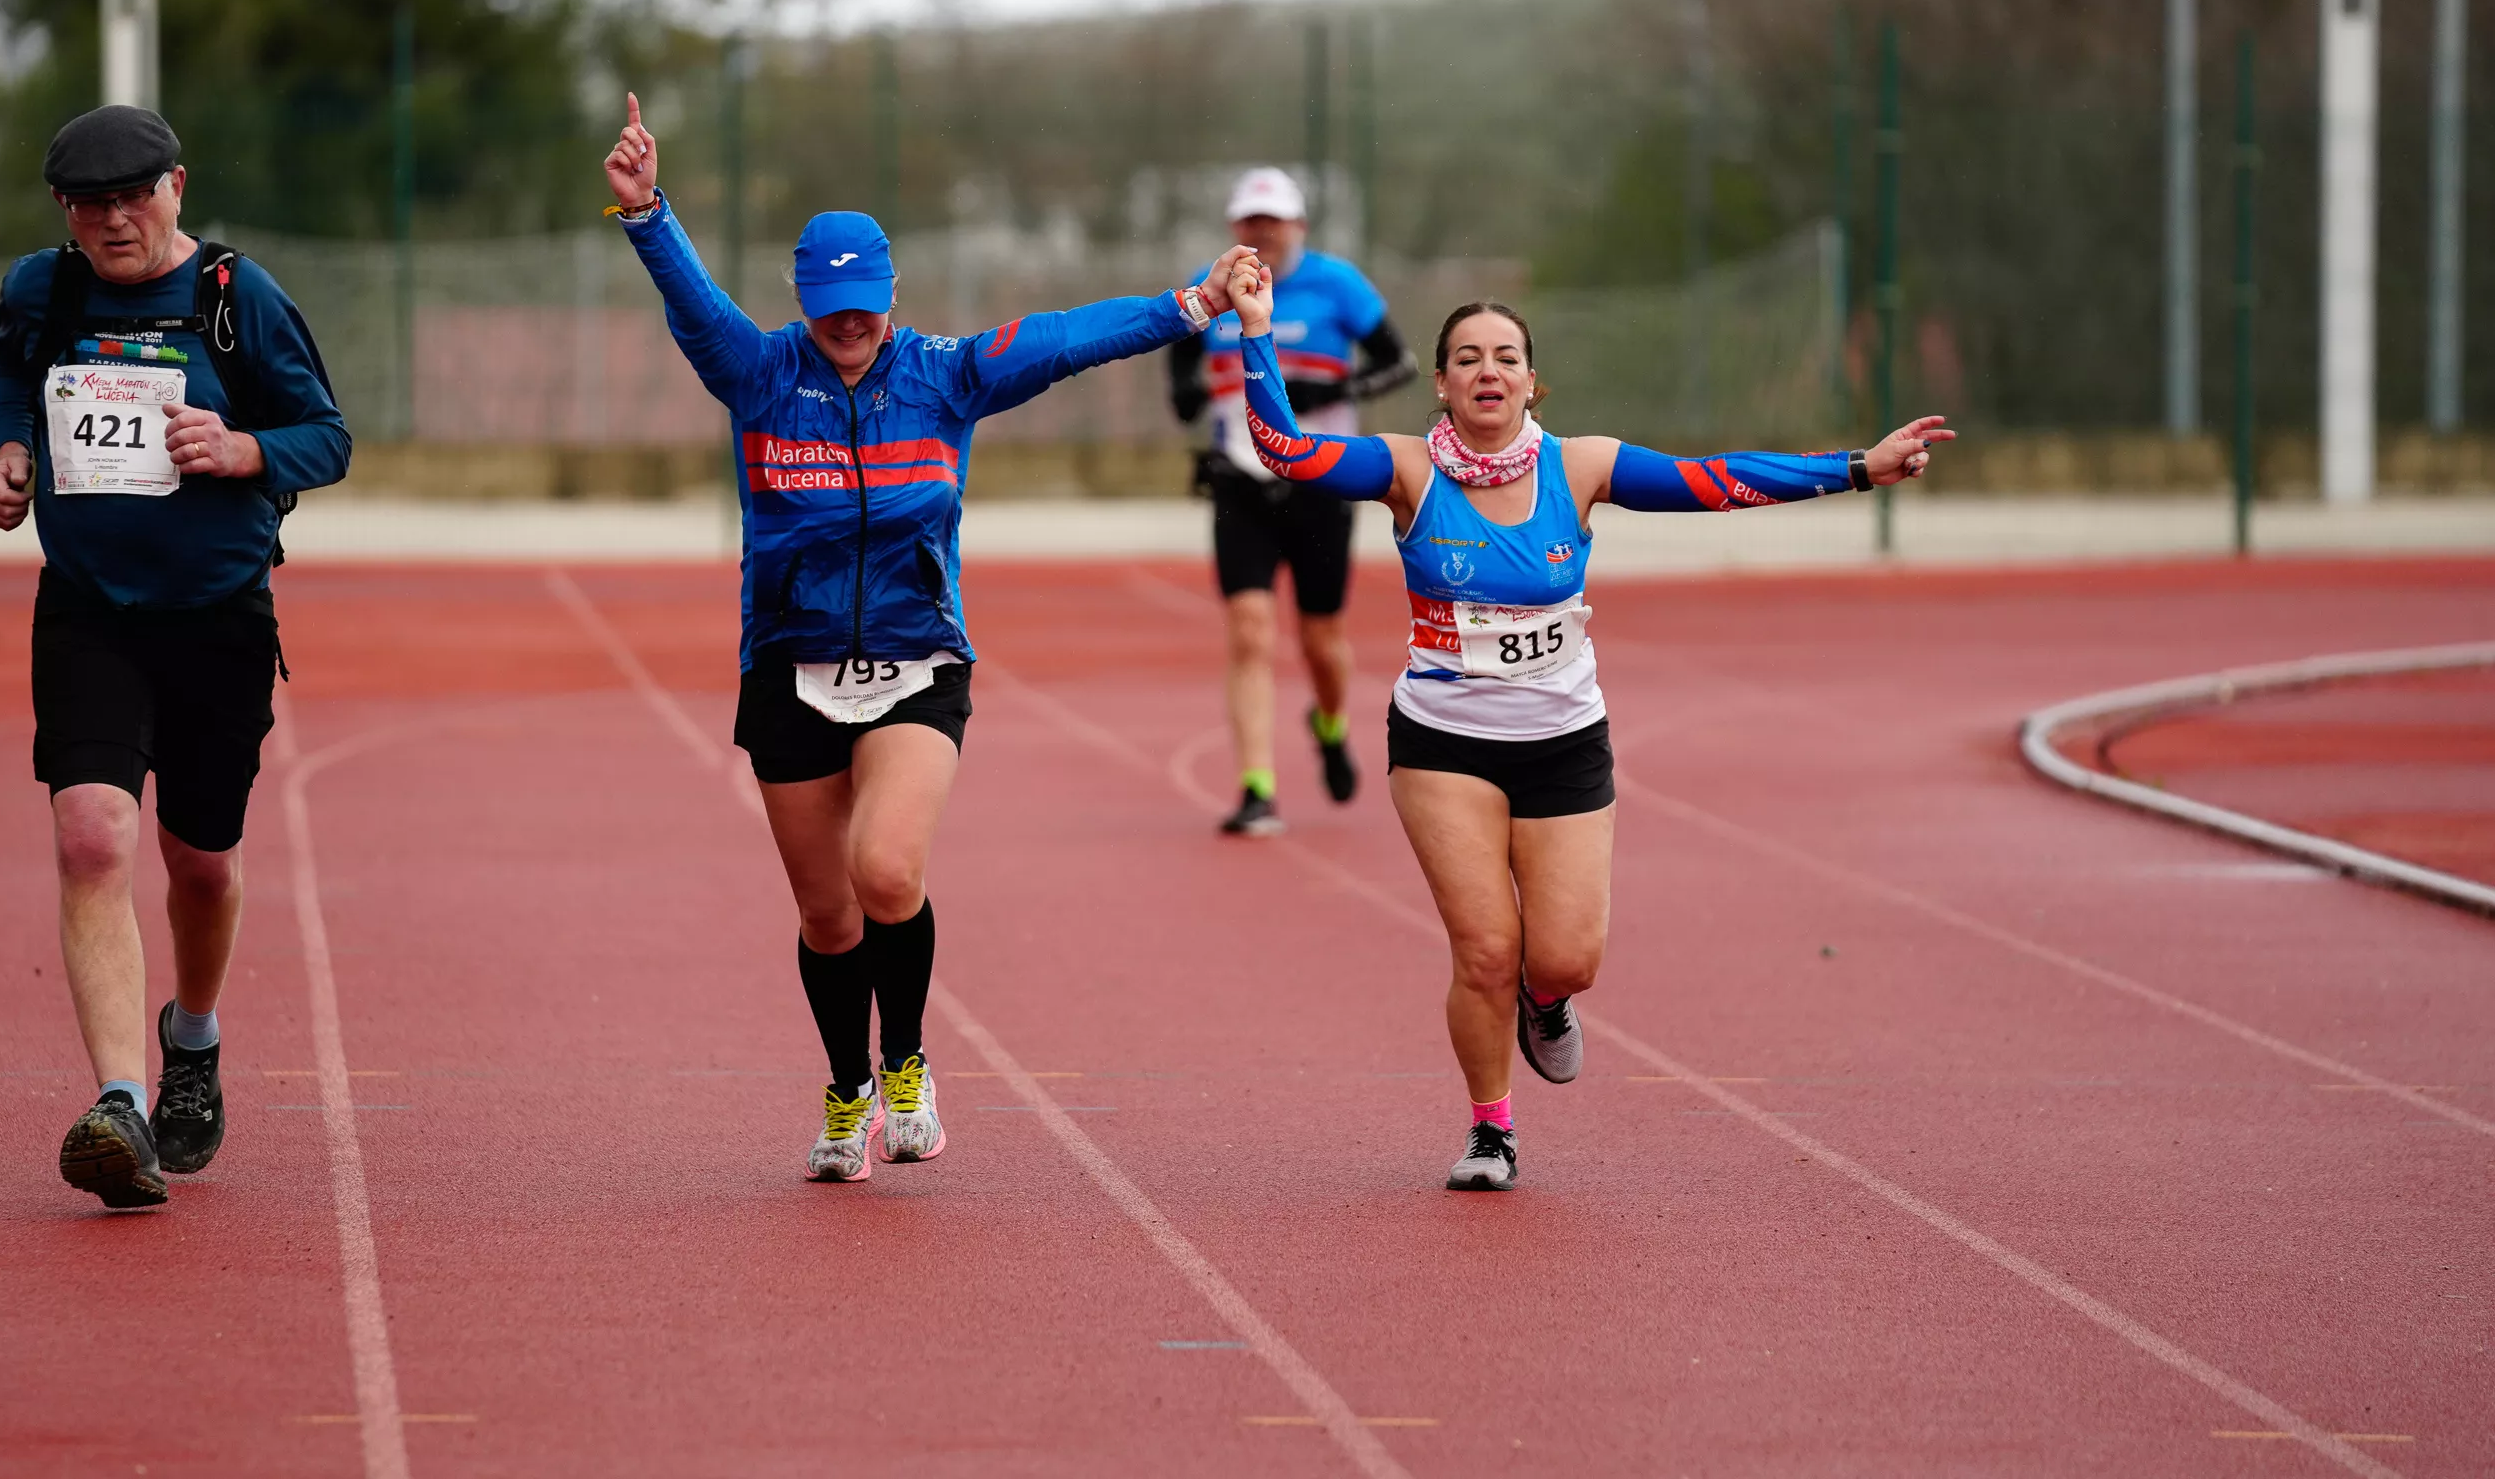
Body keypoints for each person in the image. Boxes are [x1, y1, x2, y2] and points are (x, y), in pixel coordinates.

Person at [602, 95, 1254, 1182]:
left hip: (918, 661)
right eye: (830, 306)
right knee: (825, 912)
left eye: (865, 304)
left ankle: (906, 1063)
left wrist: (1191, 304)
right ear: (803, 298)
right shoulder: (759, 373)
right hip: (789, 667)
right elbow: (691, 303)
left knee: (887, 869)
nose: (850, 322)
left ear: (892, 294)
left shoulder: (946, 374)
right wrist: (648, 214)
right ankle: (848, 1085)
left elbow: (1063, 340)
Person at [1227, 273, 1955, 1192]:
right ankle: (1491, 1128)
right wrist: (1257, 334)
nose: (1487, 372)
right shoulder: (1406, 468)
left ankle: (1547, 1001)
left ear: (1535, 383)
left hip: (1564, 740)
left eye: (1506, 358)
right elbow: (1286, 452)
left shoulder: (1582, 467)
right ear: (1442, 387)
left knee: (1564, 956)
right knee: (1485, 949)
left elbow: (1717, 480)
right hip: (1442, 741)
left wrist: (1854, 466)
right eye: (1466, 360)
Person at [0, 105, 350, 1208]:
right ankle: (121, 1104)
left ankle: (191, 1034)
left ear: (176, 187)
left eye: (133, 196)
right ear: (64, 210)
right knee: (93, 834)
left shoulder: (237, 299)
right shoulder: (45, 290)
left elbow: (325, 435)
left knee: (199, 862)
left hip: (219, 614)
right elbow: (12, 373)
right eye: (90, 204)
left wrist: (242, 448)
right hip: (89, 608)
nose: (113, 219)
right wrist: (7, 453)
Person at [1167, 167, 1408, 837]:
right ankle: (1257, 788)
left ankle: (1328, 724)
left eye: (1273, 222)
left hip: (1322, 481)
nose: (1261, 234)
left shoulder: (1338, 284)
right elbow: (1179, 355)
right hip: (1238, 480)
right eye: (1249, 222)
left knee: (1321, 642)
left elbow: (1401, 362)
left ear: (1298, 226)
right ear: (1234, 228)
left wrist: (1330, 394)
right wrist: (1184, 392)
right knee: (1248, 632)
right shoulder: (1214, 282)